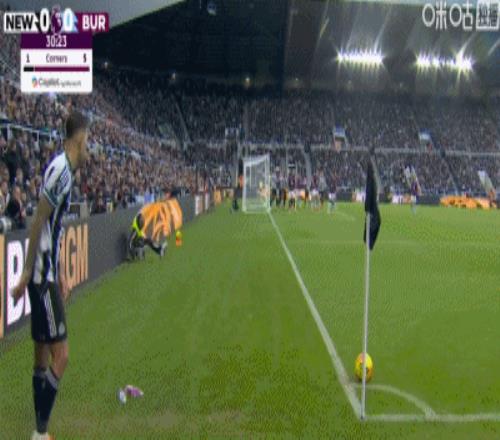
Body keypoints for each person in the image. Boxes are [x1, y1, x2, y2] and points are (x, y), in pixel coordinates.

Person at [11, 111, 90, 440]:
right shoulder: (61, 171)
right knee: (62, 355)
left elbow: (52, 229)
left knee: (42, 356)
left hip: (47, 274)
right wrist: (28, 272)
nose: (89, 148)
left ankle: (40, 432)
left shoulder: (65, 171)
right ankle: (40, 433)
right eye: (88, 141)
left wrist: (62, 273)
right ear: (79, 139)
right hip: (41, 278)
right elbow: (38, 221)